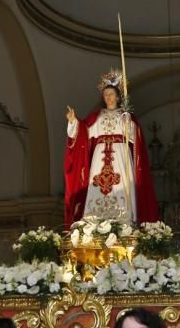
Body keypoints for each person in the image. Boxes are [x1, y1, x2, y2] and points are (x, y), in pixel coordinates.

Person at [64, 69, 159, 225]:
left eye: (111, 94)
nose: (108, 97)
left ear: (118, 97)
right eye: (106, 95)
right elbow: (83, 133)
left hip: (120, 154)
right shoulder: (97, 116)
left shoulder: (125, 116)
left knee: (123, 183)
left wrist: (129, 123)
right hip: (100, 156)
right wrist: (74, 121)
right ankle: (93, 223)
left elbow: (135, 139)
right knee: (96, 186)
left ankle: (125, 221)